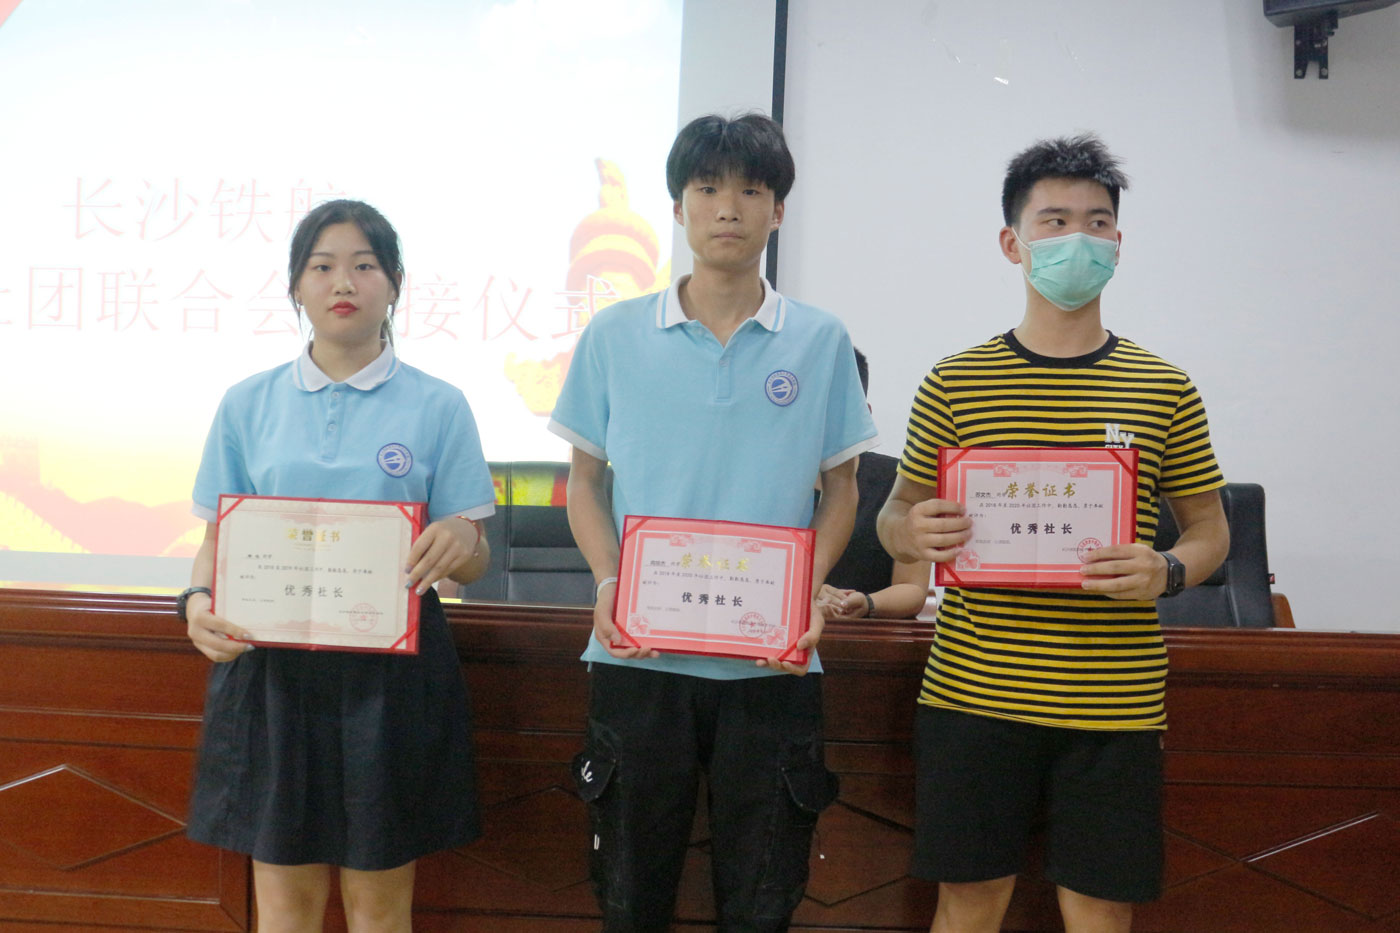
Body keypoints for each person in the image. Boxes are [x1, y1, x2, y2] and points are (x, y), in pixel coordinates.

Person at [877, 135, 1230, 933]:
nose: (1079, 239)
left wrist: (1168, 569)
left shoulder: (1163, 386)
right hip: (973, 689)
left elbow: (1210, 530)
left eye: (1097, 222)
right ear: (1013, 243)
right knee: (968, 901)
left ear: (1118, 244)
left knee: (1100, 907)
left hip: (1115, 700)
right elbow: (893, 515)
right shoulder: (955, 380)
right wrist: (914, 527)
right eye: (1055, 220)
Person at [549, 112, 878, 932]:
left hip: (771, 664)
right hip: (638, 655)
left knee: (761, 902)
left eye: (751, 190)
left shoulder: (820, 339)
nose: (728, 207)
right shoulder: (615, 333)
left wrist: (806, 589)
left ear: (778, 210)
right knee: (630, 897)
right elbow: (583, 482)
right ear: (677, 206)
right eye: (707, 188)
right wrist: (609, 580)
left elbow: (843, 490)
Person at [177, 200, 496, 933]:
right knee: (284, 901)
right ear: (296, 286)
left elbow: (474, 561)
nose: (342, 282)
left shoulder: (440, 405)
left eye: (363, 265)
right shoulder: (247, 403)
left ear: (395, 284)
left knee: (378, 904)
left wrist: (460, 537)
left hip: (391, 681)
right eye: (321, 266)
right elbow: (218, 543)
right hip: (272, 675)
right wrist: (196, 600)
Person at [817, 347, 931, 621]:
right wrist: (806, 590)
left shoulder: (901, 480)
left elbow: (913, 588)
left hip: (870, 635)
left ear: (864, 416)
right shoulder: (769, 484)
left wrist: (866, 602)